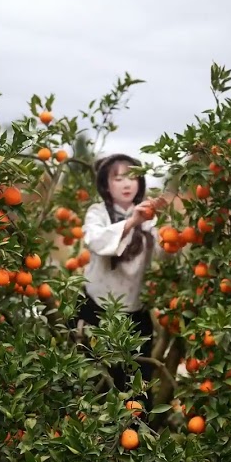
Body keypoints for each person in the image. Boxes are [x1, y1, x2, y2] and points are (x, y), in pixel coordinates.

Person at [73, 153, 169, 397]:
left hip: (134, 315)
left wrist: (171, 225)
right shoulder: (98, 213)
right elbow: (97, 241)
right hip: (95, 311)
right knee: (92, 386)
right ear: (106, 184)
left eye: (132, 177)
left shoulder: (150, 217)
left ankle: (136, 434)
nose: (127, 184)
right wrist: (133, 221)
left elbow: (165, 254)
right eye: (118, 178)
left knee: (136, 391)